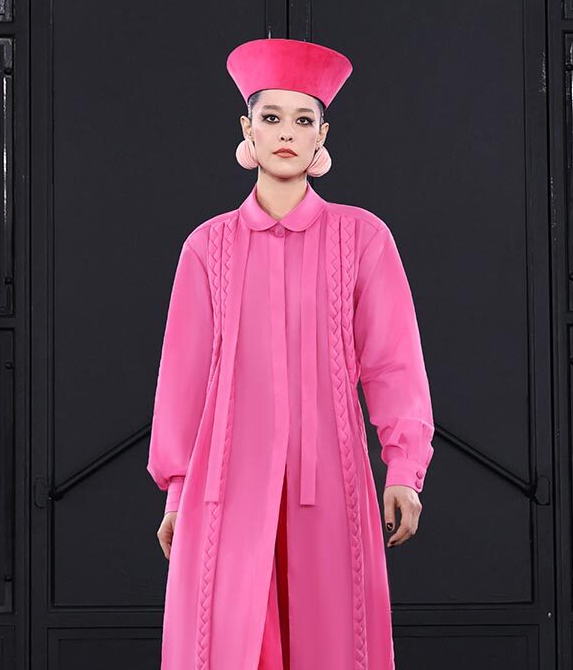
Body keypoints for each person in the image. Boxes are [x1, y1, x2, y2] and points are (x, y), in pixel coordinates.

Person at [147, 37, 435, 670]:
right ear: (246, 129)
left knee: (331, 639)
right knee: (226, 641)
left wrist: (404, 470)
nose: (286, 132)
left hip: (329, 478)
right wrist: (176, 492)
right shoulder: (207, 248)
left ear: (321, 135)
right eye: (271, 117)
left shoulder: (363, 238)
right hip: (223, 485)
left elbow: (393, 363)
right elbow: (183, 381)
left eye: (303, 120)